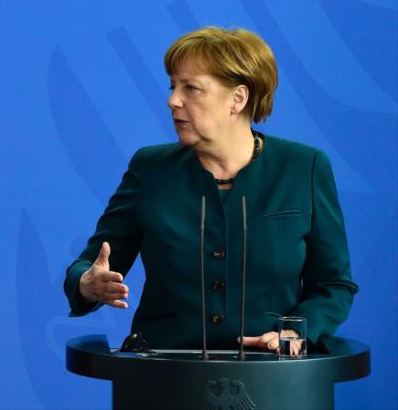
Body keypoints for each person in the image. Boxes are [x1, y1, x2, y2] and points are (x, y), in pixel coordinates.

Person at [64, 26, 357, 353]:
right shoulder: (149, 169)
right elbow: (91, 265)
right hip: (161, 375)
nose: (172, 100)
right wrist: (87, 285)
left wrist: (295, 334)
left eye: (191, 88)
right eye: (173, 86)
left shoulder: (305, 167)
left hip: (276, 376)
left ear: (238, 99)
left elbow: (333, 285)